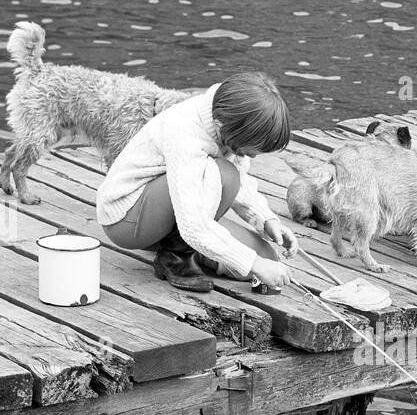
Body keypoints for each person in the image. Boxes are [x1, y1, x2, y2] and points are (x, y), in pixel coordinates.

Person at [95, 70, 297, 292]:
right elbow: (193, 224)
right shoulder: (185, 133)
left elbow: (241, 182)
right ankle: (175, 258)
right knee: (224, 174)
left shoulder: (227, 119)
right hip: (126, 219)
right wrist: (255, 264)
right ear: (222, 129)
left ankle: (194, 249)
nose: (252, 158)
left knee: (268, 257)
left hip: (174, 211)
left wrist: (267, 220)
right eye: (247, 152)